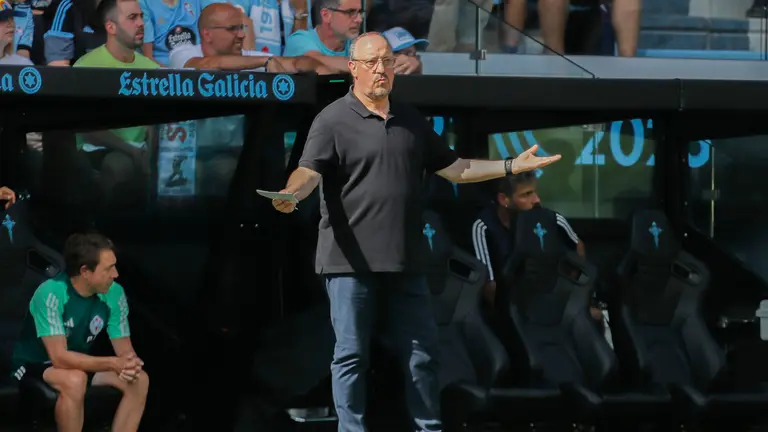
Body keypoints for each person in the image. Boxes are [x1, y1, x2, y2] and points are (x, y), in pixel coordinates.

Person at [271, 32, 560, 432]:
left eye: (387, 61)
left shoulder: (410, 119)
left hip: (406, 261)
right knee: (351, 354)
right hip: (349, 262)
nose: (381, 69)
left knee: (423, 354)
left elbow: (457, 168)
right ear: (352, 68)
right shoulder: (332, 119)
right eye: (371, 62)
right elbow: (309, 171)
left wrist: (510, 166)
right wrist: (292, 193)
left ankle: (428, 427)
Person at [10, 233, 148, 432]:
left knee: (139, 380)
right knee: (75, 379)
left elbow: (124, 349)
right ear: (85, 271)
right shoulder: (52, 292)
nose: (116, 274)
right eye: (109, 268)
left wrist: (130, 363)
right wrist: (113, 363)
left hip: (80, 362)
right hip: (35, 364)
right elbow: (59, 358)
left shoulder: (115, 293)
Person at [73, 0, 157, 205]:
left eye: (141, 17)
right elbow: (88, 130)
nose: (141, 23)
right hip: (99, 150)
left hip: (141, 149)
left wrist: (151, 154)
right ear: (110, 27)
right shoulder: (87, 68)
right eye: (132, 18)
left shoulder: (152, 69)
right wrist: (133, 152)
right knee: (120, 165)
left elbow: (156, 123)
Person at [168, 2, 328, 73]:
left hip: (238, 143)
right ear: (207, 34)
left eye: (241, 28)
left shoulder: (249, 59)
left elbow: (296, 63)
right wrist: (265, 62)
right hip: (191, 143)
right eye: (232, 29)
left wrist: (309, 65)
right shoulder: (182, 53)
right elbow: (210, 64)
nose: (242, 35)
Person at [283, 0, 420, 74]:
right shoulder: (300, 39)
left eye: (360, 12)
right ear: (326, 15)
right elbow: (315, 60)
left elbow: (387, 61)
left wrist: (414, 65)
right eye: (351, 12)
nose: (359, 19)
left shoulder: (358, 43)